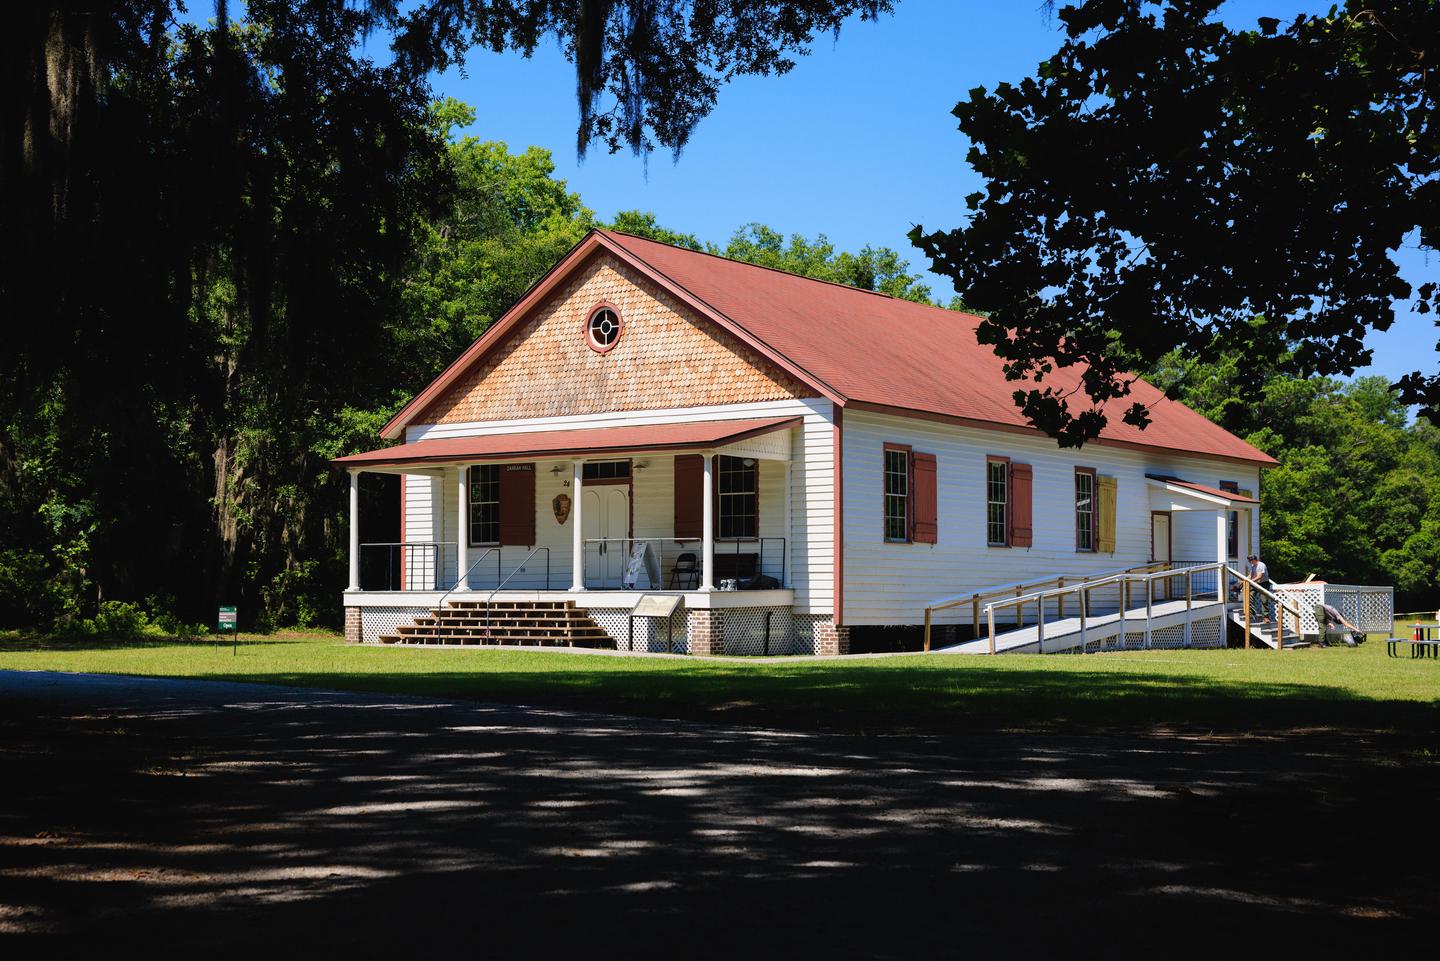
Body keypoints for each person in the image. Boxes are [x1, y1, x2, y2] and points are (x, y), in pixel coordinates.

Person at [1246, 553, 1274, 623]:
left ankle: (1266, 618)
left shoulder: (1261, 565)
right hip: (1256, 583)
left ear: (1254, 560)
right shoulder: (1253, 566)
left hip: (1264, 584)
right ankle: (1253, 613)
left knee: (1264, 600)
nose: (1250, 562)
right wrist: (1244, 580)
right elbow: (1250, 575)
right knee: (1250, 595)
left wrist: (1250, 581)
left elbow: (1259, 576)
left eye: (1250, 561)